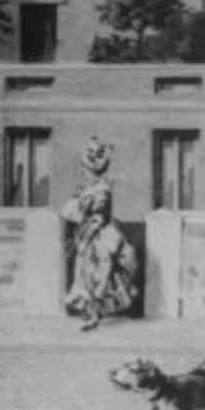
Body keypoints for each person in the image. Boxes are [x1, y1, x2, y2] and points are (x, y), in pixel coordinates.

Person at [62, 137, 138, 331]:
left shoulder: (102, 189)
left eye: (86, 170)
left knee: (100, 276)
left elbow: (99, 217)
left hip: (101, 236)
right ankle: (91, 313)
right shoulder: (86, 189)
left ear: (93, 171)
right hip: (88, 234)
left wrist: (86, 236)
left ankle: (94, 315)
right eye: (83, 170)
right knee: (85, 275)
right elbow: (72, 212)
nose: (84, 173)